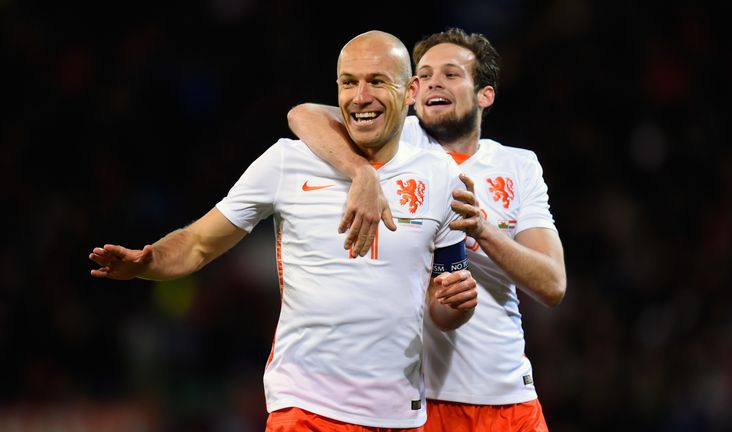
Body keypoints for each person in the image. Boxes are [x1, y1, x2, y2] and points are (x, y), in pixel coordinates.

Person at [89, 30, 480, 431]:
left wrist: (456, 305)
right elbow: (199, 243)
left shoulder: (441, 177)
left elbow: (444, 297)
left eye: (377, 81)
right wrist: (147, 262)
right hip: (305, 409)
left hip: (401, 413)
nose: (360, 97)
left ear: (411, 90)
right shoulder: (287, 162)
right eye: (349, 83)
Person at [287, 27, 566, 431]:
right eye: (426, 74)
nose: (435, 81)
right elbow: (302, 115)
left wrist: (483, 230)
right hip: (416, 401)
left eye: (451, 74)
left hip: (508, 396)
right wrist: (361, 172)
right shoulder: (397, 142)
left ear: (484, 95)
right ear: (412, 91)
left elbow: (552, 284)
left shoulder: (519, 166)